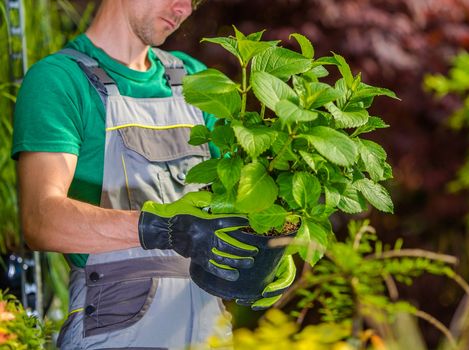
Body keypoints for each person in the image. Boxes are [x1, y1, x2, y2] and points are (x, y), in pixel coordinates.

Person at [11, 0, 296, 348]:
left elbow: (244, 198)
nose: (184, 9)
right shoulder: (60, 80)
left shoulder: (196, 81)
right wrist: (165, 230)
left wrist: (271, 253)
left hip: (206, 331)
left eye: (194, 1)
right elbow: (42, 220)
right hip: (112, 333)